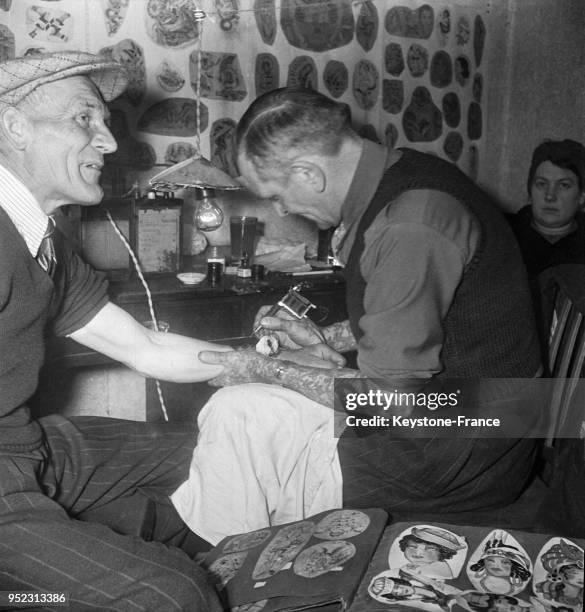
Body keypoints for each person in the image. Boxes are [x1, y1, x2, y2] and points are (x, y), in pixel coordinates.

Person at [172, 87, 543, 542]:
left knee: (238, 415)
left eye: (275, 195)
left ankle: (241, 570)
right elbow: (418, 312)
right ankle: (244, 560)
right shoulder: (401, 174)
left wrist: (264, 368)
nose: (281, 209)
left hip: (468, 449)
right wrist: (328, 338)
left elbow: (392, 399)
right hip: (466, 416)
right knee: (242, 416)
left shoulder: (410, 221)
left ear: (308, 172)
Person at [0, 50, 239, 610]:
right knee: (173, 595)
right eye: (85, 118)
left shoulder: (42, 239)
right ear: (14, 127)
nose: (107, 141)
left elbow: (146, 347)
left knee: (217, 448)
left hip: (23, 445)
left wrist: (272, 370)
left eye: (103, 121)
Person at [507, 139, 585, 280]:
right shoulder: (502, 235)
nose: (550, 196)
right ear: (530, 190)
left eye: (564, 185)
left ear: (582, 196)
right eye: (542, 184)